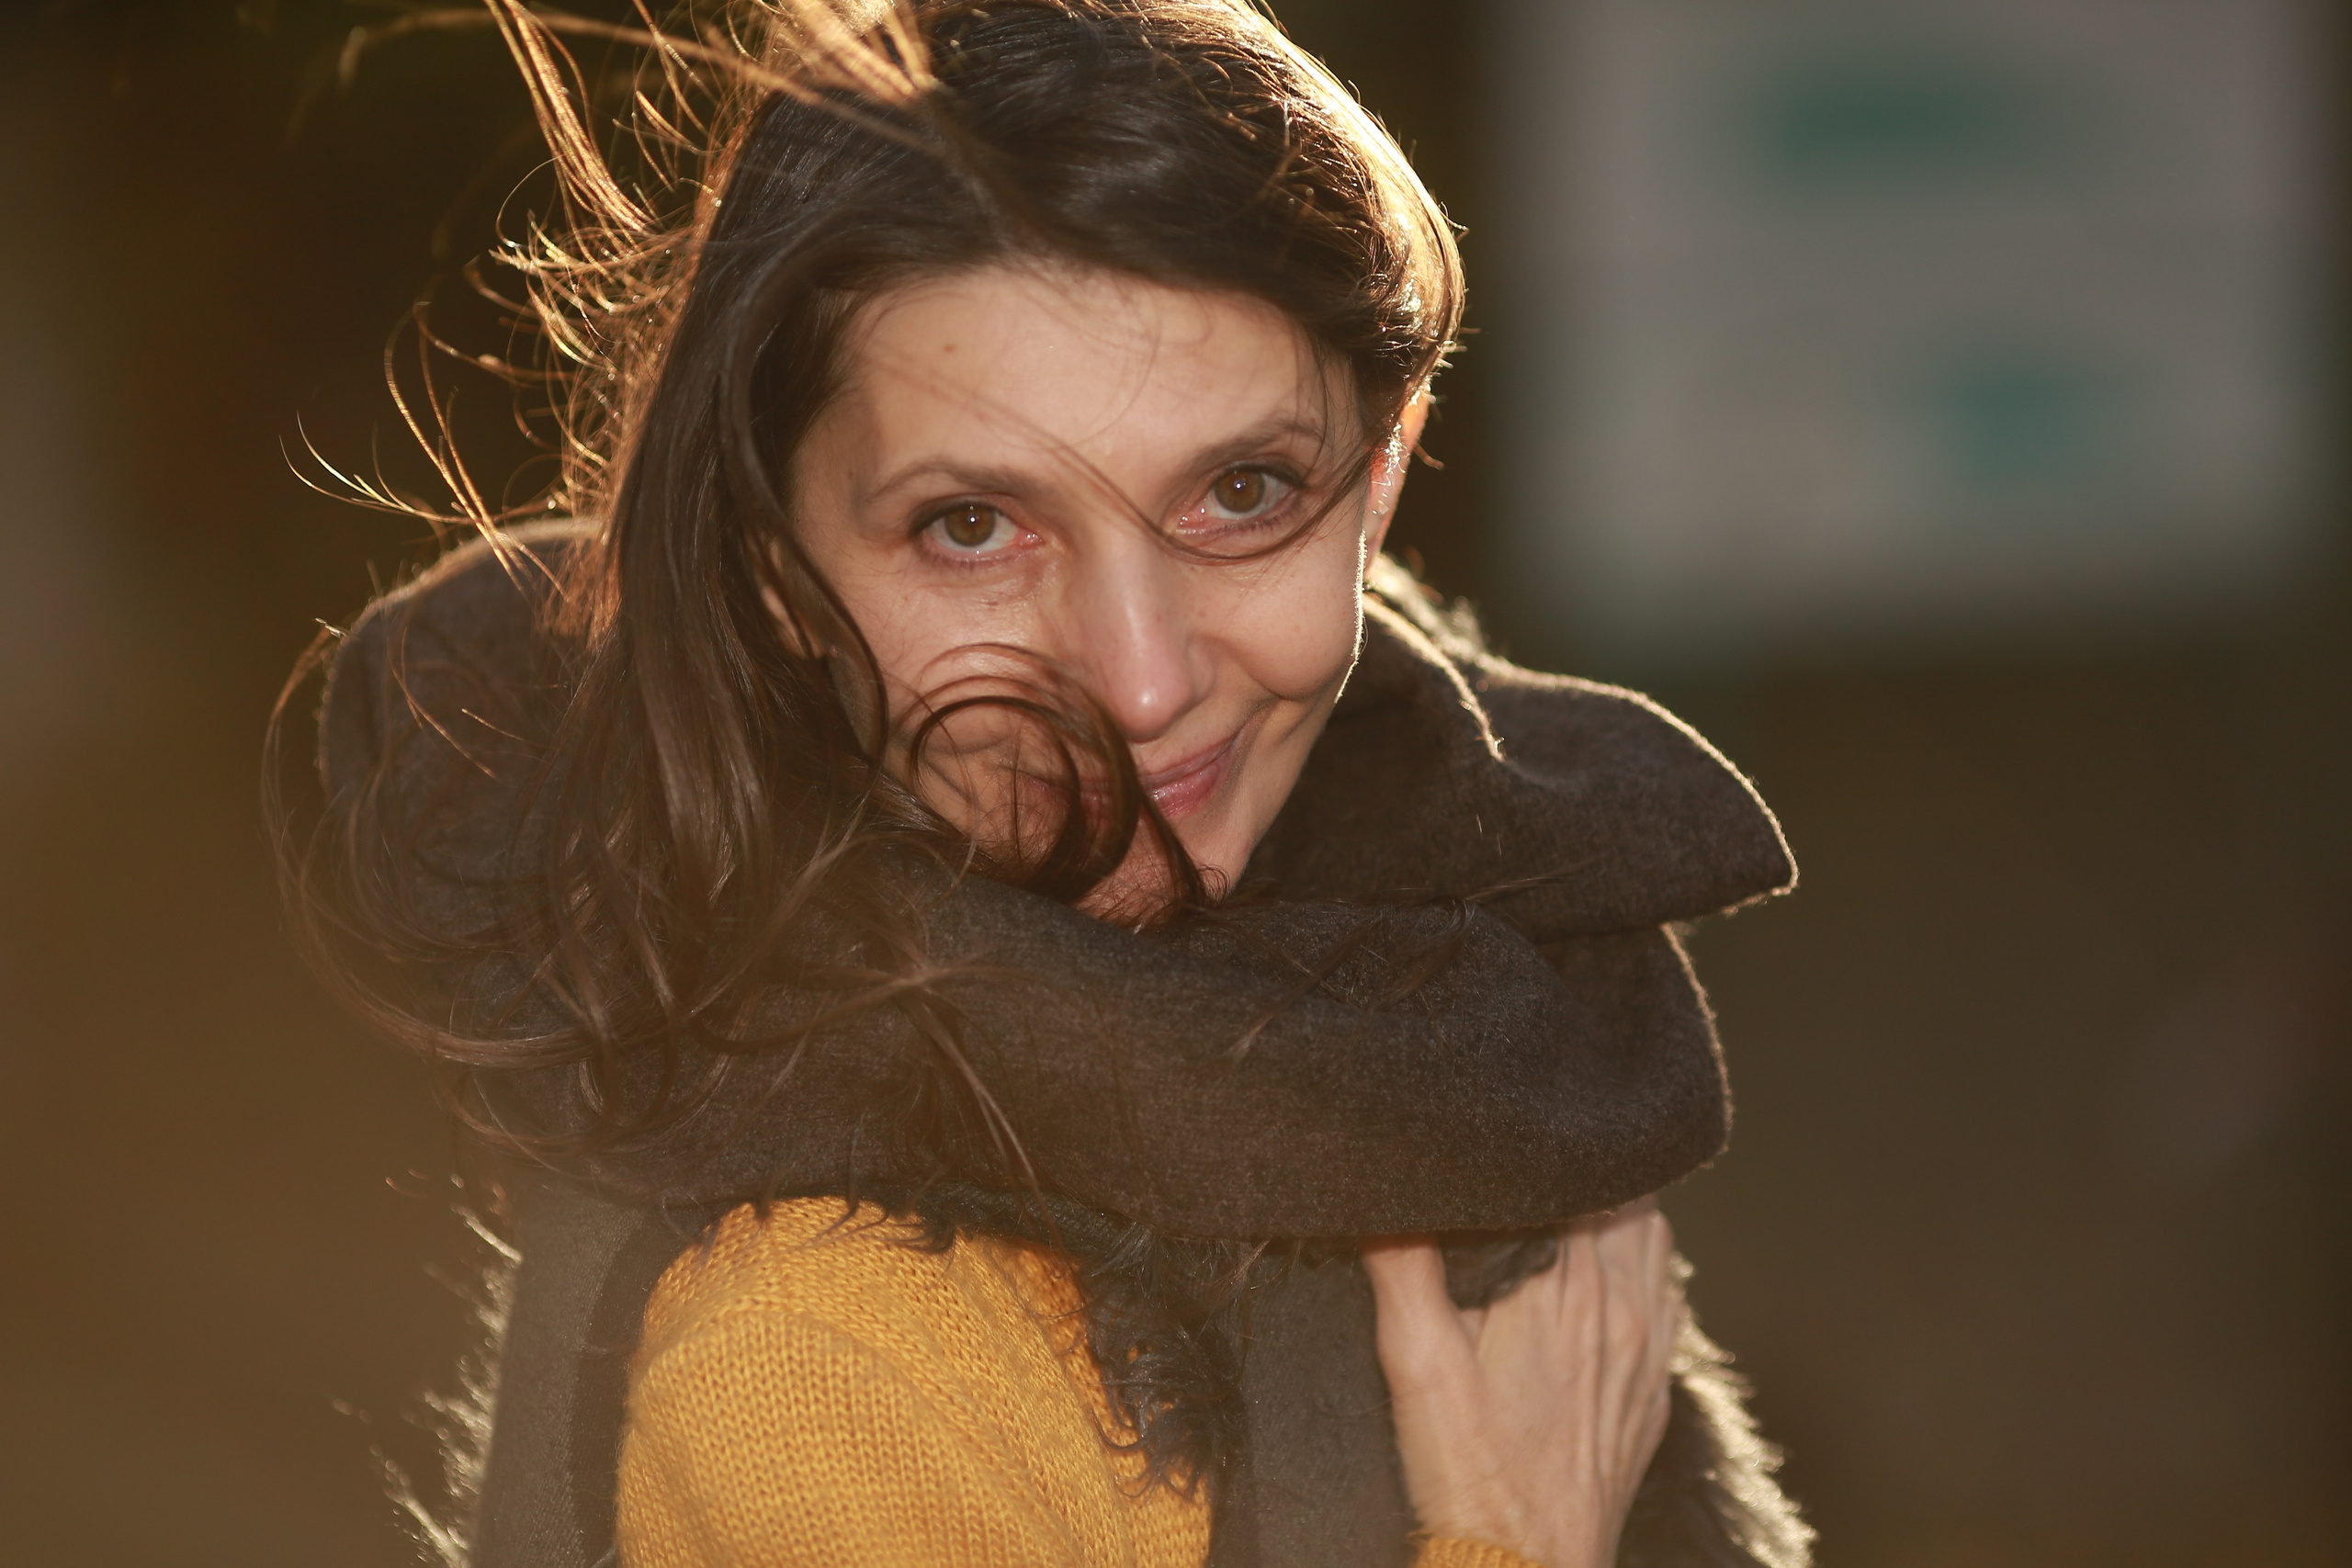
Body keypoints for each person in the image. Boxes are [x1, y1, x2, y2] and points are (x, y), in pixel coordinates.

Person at [281, 2, 1812, 1564]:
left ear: (1384, 476)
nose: (1143, 683)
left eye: (1240, 491)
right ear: (770, 574)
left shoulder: (1450, 981)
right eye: (971, 527)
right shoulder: (830, 1350)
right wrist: (1518, 1541)